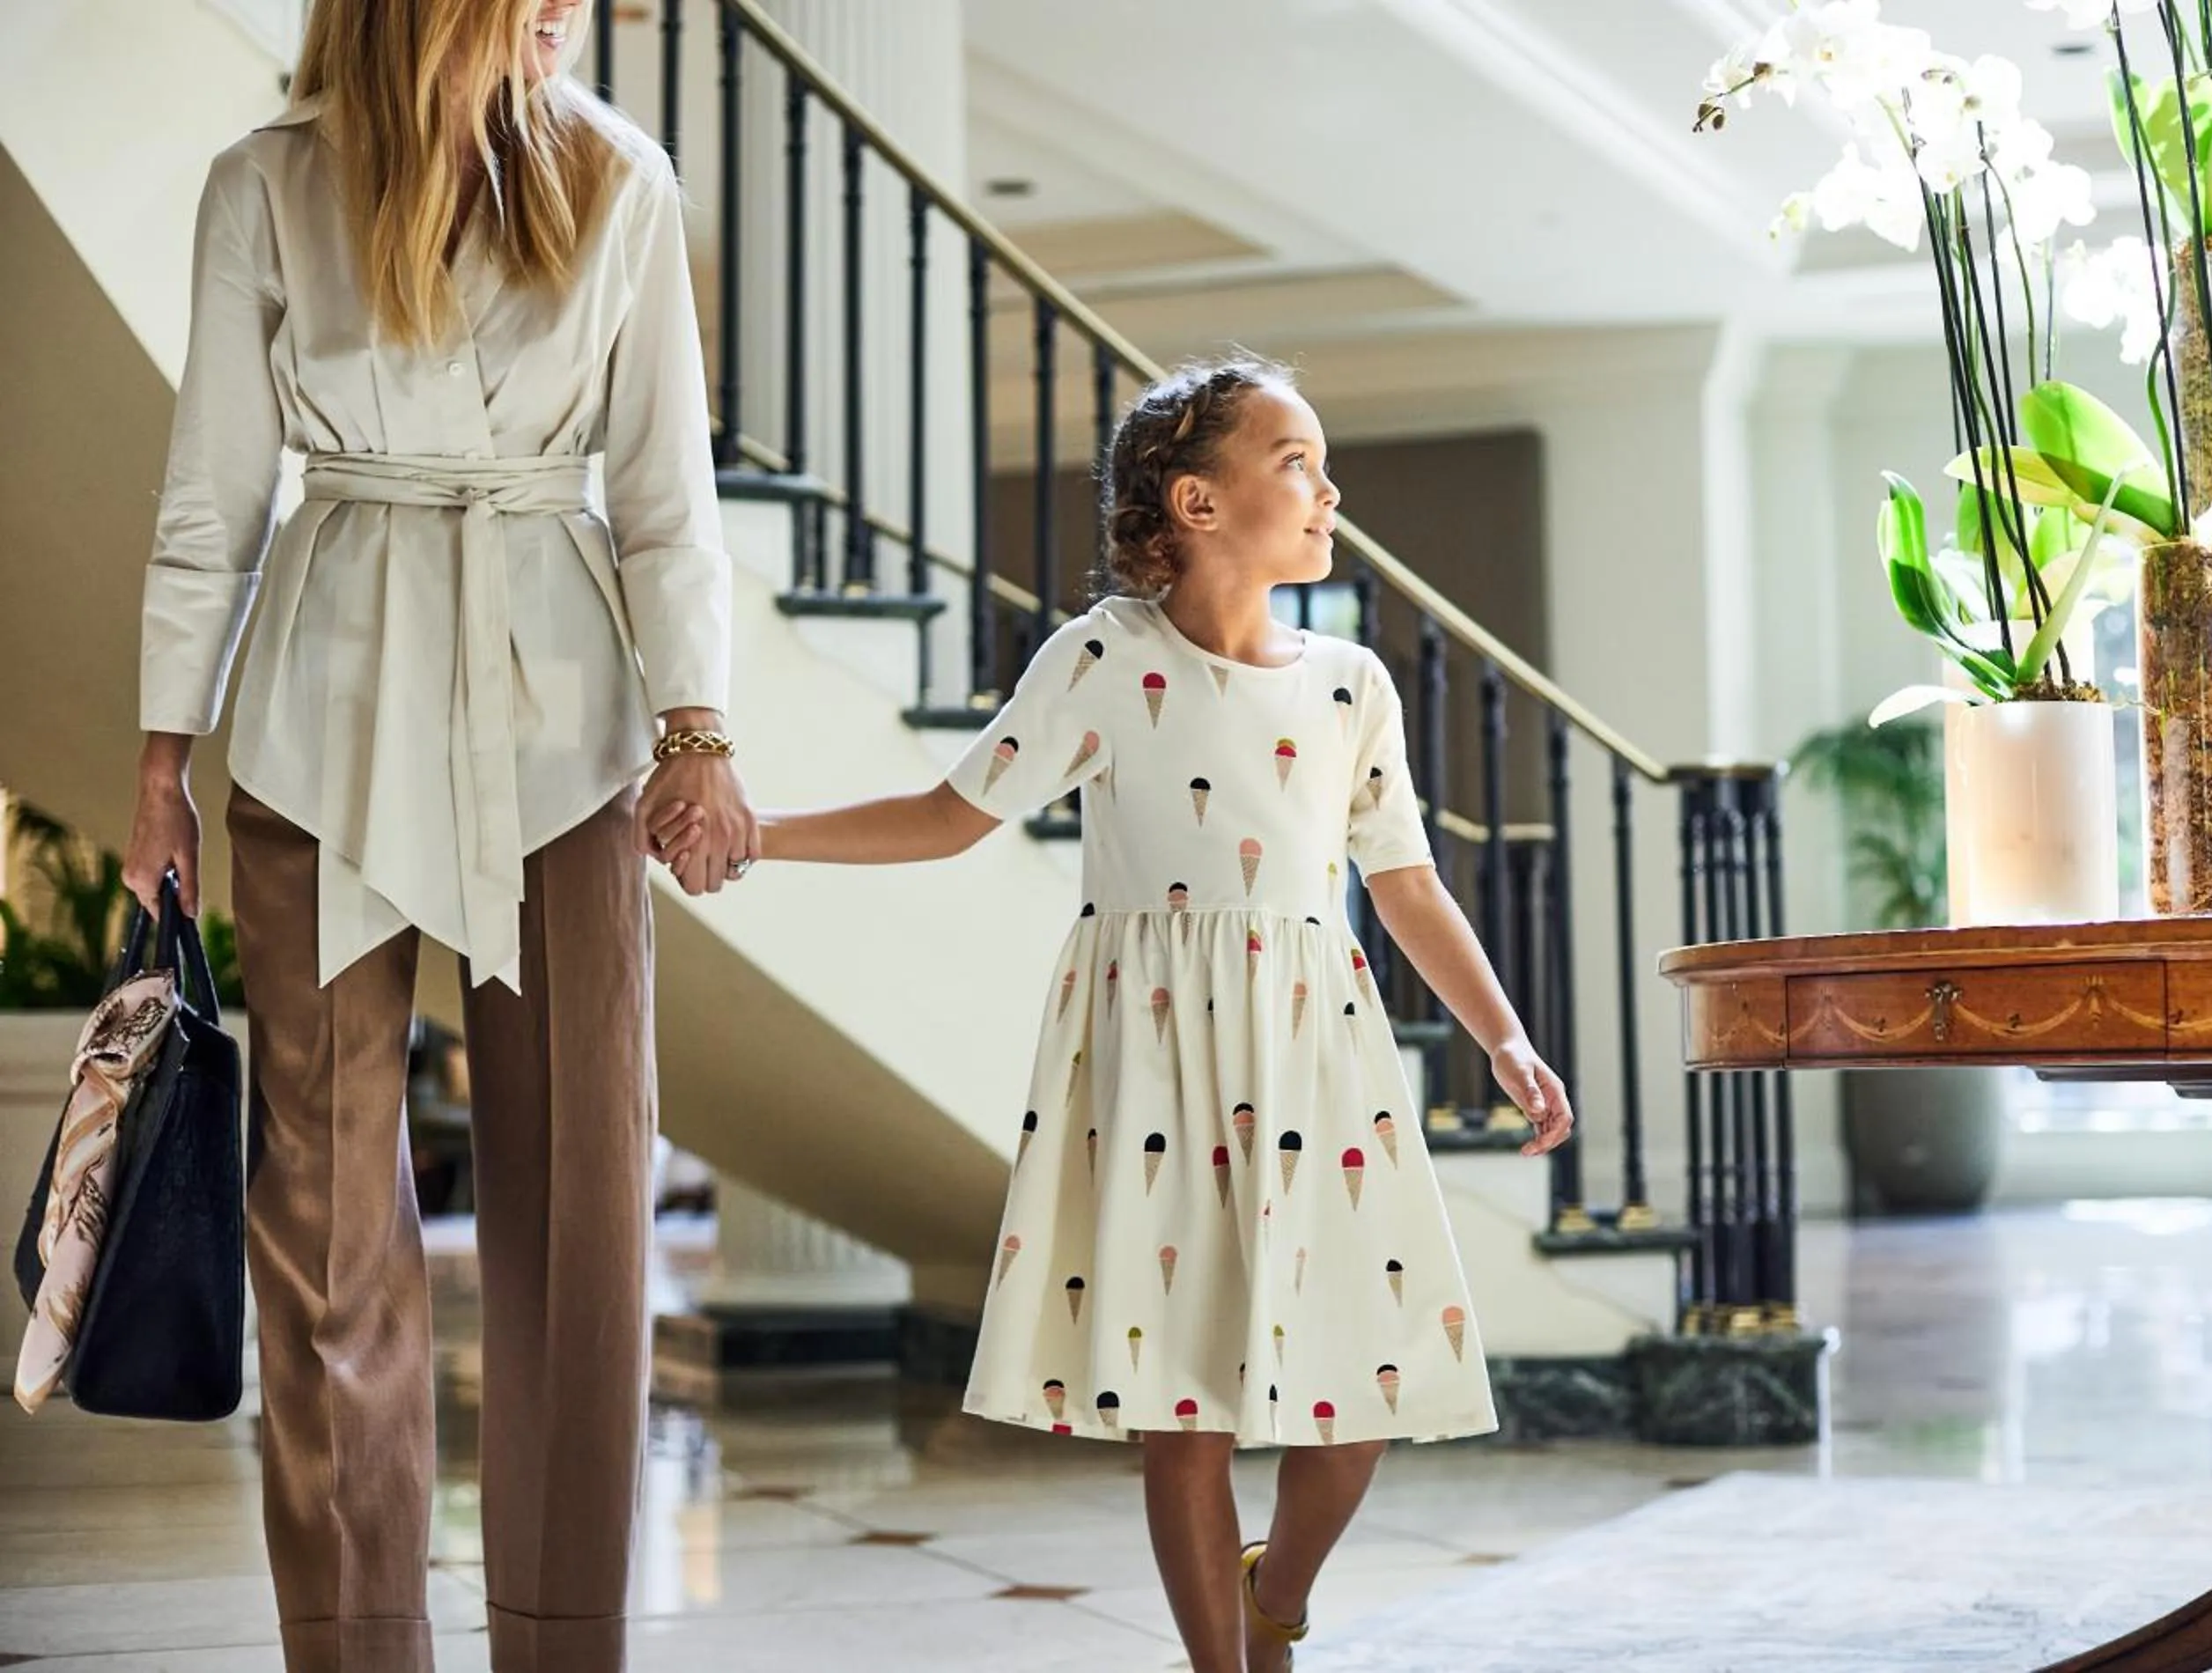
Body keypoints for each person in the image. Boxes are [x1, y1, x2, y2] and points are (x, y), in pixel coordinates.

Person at [656, 356, 1572, 1672]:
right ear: (1198, 504)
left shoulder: (1352, 684)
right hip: (1152, 1064)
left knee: (1359, 1401)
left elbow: (1407, 881)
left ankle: (1280, 1595)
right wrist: (758, 834)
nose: (1329, 491)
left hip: (1318, 1058)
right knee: (1181, 1408)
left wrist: (1501, 1035)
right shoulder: (1099, 658)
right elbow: (947, 816)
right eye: (1296, 463)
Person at [119, 3, 753, 1667]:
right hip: (327, 715)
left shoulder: (621, 178)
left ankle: (562, 1639)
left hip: (570, 735)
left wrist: (701, 732)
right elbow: (213, 495)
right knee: (322, 1214)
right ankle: (353, 1641)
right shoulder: (265, 186)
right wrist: (159, 761)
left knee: (586, 1202)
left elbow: (667, 493)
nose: (565, 11)